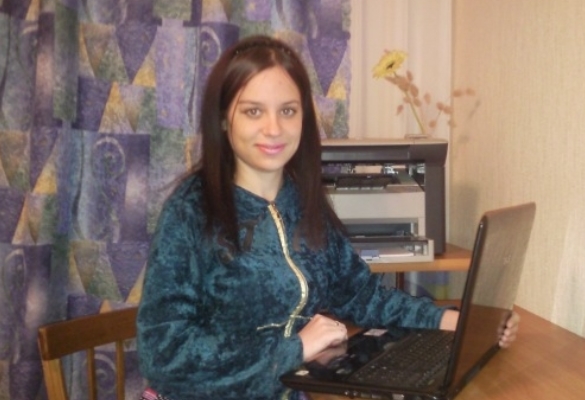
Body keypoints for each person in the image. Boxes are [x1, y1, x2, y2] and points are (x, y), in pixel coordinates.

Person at [136, 35, 520, 400]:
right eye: (253, 111)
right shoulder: (191, 211)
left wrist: (456, 322)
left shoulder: (302, 200)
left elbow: (360, 294)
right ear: (224, 119)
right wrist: (294, 349)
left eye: (288, 111)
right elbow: (163, 353)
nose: (274, 128)